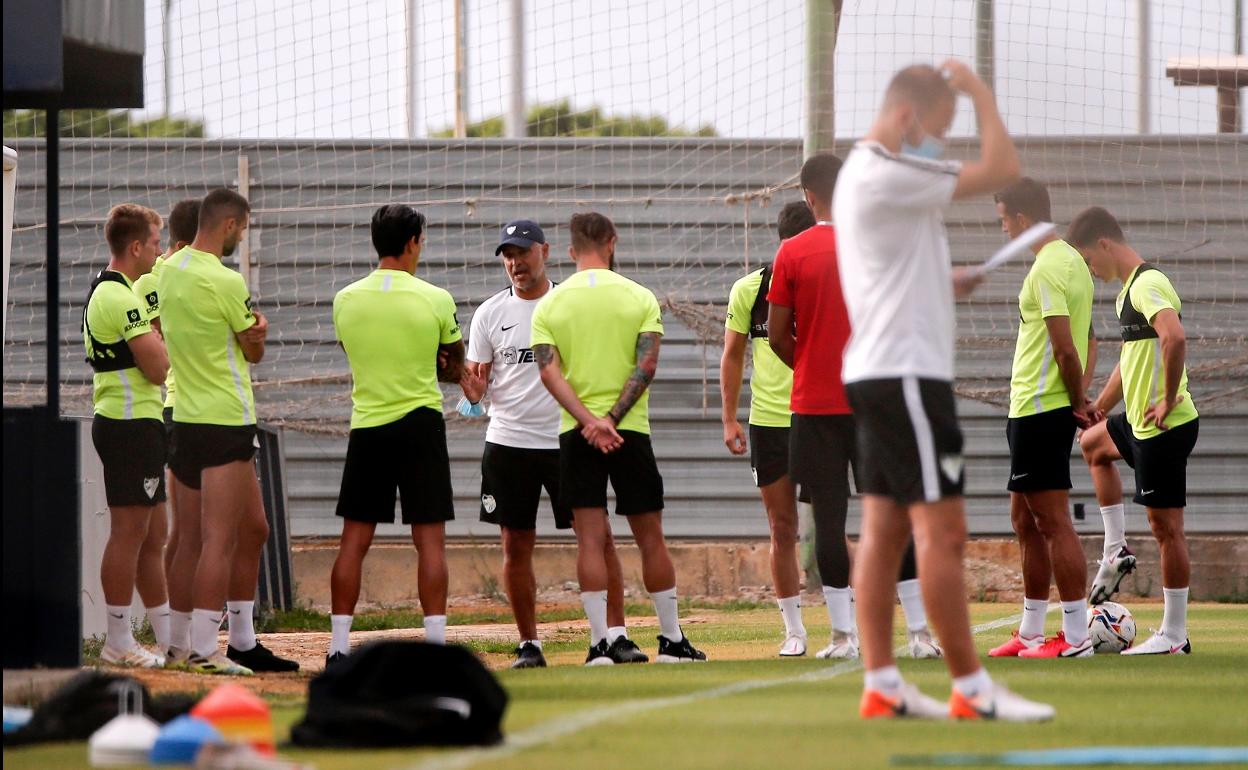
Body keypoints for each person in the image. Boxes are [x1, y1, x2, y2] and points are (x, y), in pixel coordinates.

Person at [833, 61, 1053, 720]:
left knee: (882, 530)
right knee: (944, 531)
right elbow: (1004, 168)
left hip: (876, 370)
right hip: (906, 375)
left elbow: (891, 265)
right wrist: (980, 91)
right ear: (908, 119)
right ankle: (972, 687)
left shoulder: (860, 176)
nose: (944, 146)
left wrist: (941, 277)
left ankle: (882, 684)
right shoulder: (892, 169)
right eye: (941, 130)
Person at [768, 154, 941, 662]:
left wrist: (808, 364)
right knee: (894, 513)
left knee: (827, 516)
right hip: (877, 402)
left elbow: (778, 335)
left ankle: (843, 638)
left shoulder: (791, 252)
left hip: (815, 405)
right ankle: (918, 635)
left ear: (808, 196)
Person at [460, 219, 641, 669]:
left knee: (598, 539)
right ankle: (529, 644)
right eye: (507, 255)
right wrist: (462, 379)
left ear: (545, 252)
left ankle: (614, 635)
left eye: (522, 252)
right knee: (515, 544)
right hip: (508, 443)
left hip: (566, 440)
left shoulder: (566, 304)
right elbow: (475, 389)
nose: (515, 263)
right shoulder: (489, 314)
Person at [532, 212, 705, 664]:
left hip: (577, 435)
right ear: (612, 242)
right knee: (651, 538)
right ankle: (671, 640)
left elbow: (548, 372)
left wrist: (589, 421)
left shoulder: (550, 304)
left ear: (569, 251)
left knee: (589, 541)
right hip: (630, 432)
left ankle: (598, 645)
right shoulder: (639, 296)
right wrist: (611, 418)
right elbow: (645, 366)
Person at [160, 188, 293, 675]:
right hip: (225, 417)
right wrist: (257, 332)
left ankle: (177, 645)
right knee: (219, 538)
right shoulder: (226, 281)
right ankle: (204, 649)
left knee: (195, 536)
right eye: (243, 228)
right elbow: (252, 351)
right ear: (230, 226)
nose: (243, 236)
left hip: (181, 416)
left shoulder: (166, 271)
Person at [326, 205, 464, 666]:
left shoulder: (345, 299)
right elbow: (453, 365)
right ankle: (436, 650)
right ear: (411, 243)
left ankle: (339, 648)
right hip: (420, 424)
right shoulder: (436, 298)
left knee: (353, 542)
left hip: (367, 426)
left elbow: (353, 350)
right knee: (430, 541)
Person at [1070, 206, 1199, 655]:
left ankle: (1174, 635)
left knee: (1166, 529)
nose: (1090, 270)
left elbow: (1174, 338)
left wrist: (1166, 396)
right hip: (1140, 425)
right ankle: (1115, 550)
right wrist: (1097, 410)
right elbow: (1129, 364)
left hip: (1166, 425)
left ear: (1104, 244)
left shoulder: (1148, 283)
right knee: (1092, 445)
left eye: (1088, 260)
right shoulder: (1125, 292)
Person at [986, 178, 1099, 659]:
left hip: (1039, 409)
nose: (1004, 229)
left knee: (1053, 521)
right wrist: (1079, 397)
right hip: (1031, 409)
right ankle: (1031, 630)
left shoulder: (1050, 267)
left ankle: (1075, 638)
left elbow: (1065, 347)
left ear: (1023, 219)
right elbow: (1090, 338)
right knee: (1024, 519)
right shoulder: (1073, 261)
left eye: (1004, 221)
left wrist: (1077, 402)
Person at [721, 201, 815, 656]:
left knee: (830, 524)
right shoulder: (750, 289)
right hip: (769, 422)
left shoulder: (825, 283)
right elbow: (733, 354)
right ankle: (794, 631)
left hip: (818, 416)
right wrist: (729, 416)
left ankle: (844, 626)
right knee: (783, 526)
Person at [83, 203, 171, 667]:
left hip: (138, 424)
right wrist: (159, 342)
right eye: (156, 242)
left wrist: (157, 341)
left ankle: (167, 639)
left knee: (153, 533)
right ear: (135, 246)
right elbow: (158, 368)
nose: (160, 251)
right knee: (129, 533)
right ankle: (117, 640)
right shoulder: (119, 297)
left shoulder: (119, 292)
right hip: (128, 425)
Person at [133, 197, 198, 666]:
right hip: (179, 409)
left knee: (236, 528)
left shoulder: (194, 276)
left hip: (207, 409)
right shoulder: (154, 280)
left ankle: (223, 631)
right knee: (177, 531)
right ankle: (178, 637)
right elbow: (160, 343)